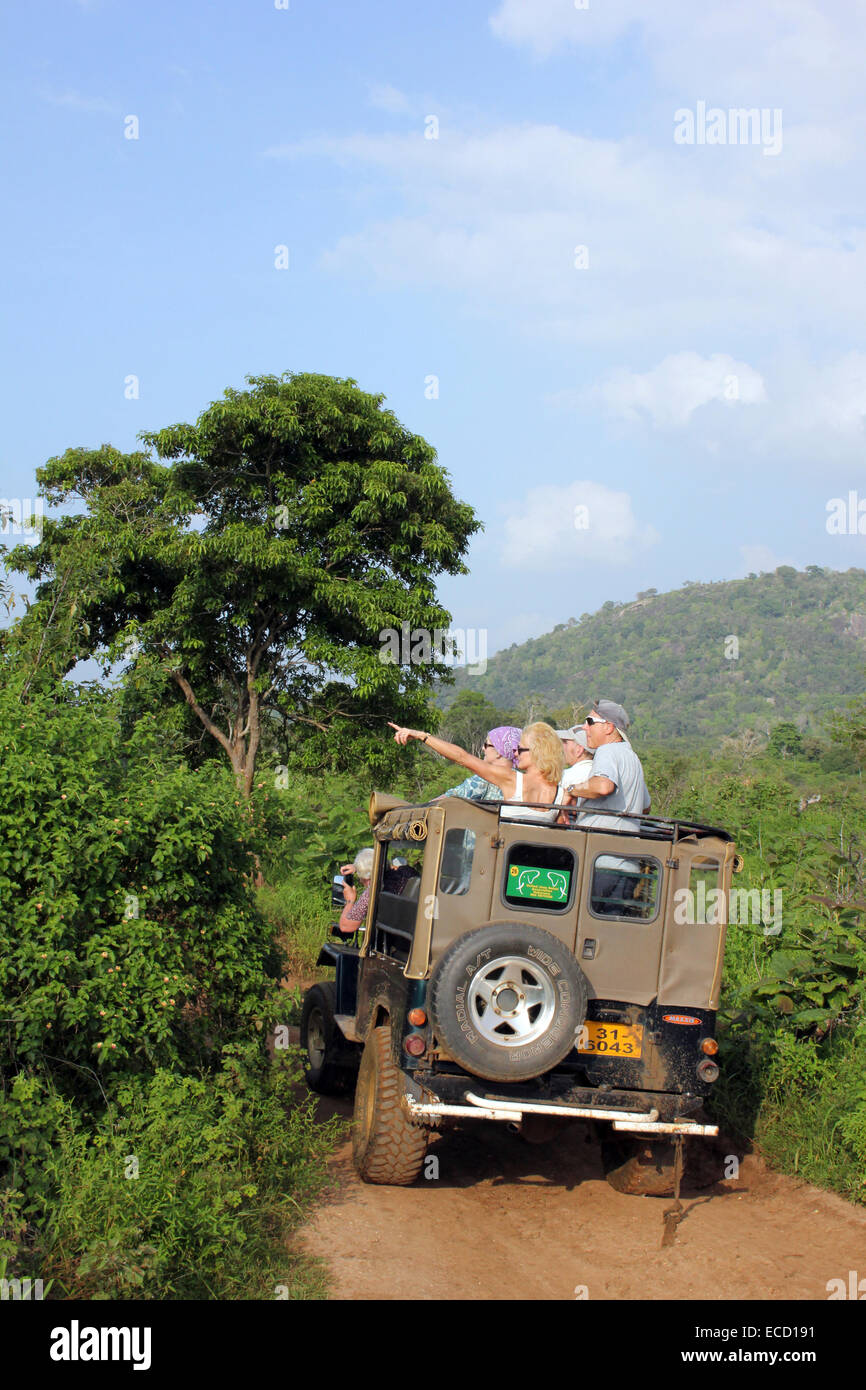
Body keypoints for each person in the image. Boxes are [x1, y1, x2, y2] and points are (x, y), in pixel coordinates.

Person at [388, 720, 566, 823]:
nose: (516, 753)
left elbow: (462, 757)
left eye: (520, 749)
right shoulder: (562, 795)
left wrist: (422, 736)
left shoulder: (512, 780)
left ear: (536, 753)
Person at [566, 699, 651, 831]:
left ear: (608, 727)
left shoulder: (607, 750)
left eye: (590, 722)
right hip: (627, 843)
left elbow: (603, 786)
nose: (584, 727)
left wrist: (572, 790)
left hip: (597, 842)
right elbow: (646, 807)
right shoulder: (633, 758)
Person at [336, 847, 418, 934]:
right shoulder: (405, 873)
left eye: (361, 877)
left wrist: (350, 900)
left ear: (368, 878)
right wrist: (357, 867)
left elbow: (346, 927)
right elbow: (383, 866)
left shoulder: (373, 891)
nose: (360, 881)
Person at [437, 725, 522, 803]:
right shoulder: (524, 780)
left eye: (486, 745)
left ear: (499, 752)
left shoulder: (485, 779)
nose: (482, 749)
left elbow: (448, 799)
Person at [556, 725, 594, 795]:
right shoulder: (598, 774)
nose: (561, 746)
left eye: (565, 742)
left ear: (579, 750)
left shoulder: (565, 777)